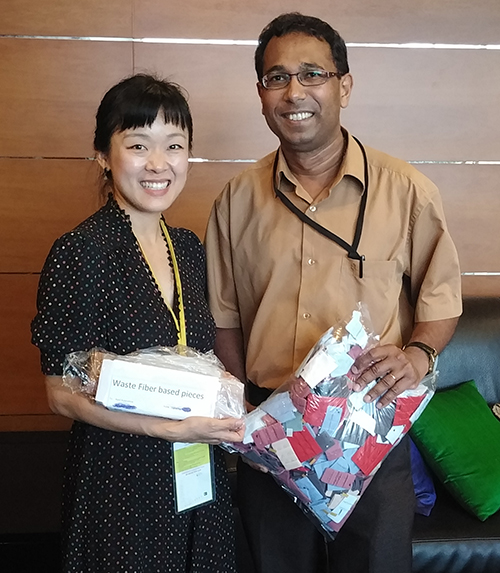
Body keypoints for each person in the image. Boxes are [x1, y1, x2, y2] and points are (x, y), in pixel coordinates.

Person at [205, 12, 462, 573]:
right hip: (272, 433)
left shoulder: (407, 191)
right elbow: (225, 320)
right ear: (261, 94)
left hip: (369, 428)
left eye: (312, 74)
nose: (294, 92)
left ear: (344, 86)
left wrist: (418, 355)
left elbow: (440, 300)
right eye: (276, 78)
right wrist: (248, 418)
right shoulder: (235, 201)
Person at [31, 74, 245, 573]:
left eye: (174, 145)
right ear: (104, 156)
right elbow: (61, 393)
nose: (158, 164)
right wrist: (167, 427)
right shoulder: (81, 251)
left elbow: (197, 361)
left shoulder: (188, 248)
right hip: (120, 482)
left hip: (198, 473)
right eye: (138, 145)